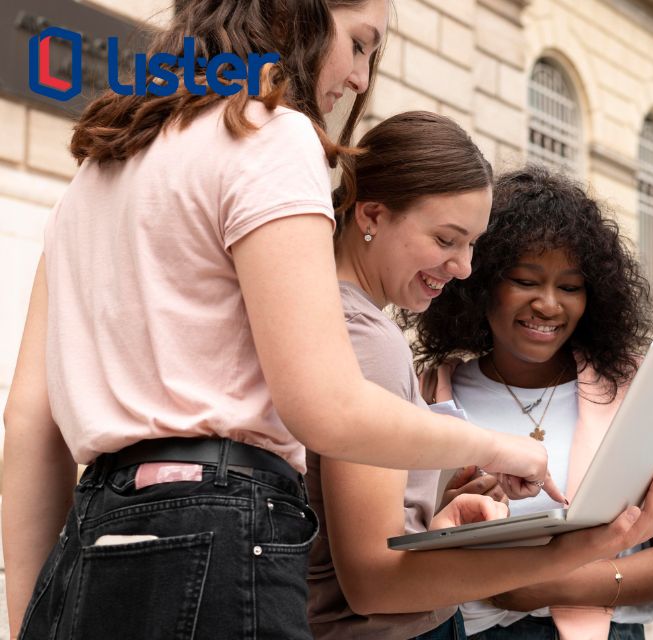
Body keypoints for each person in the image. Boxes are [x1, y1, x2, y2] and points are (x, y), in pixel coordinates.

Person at [2, 2, 557, 638]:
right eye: (359, 44)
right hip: (220, 528)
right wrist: (501, 446)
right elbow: (326, 406)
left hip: (96, 535)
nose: (358, 79)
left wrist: (26, 619)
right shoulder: (269, 133)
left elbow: (29, 427)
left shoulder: (92, 178)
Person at [309, 112, 653, 640]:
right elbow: (373, 585)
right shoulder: (371, 342)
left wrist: (445, 516)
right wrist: (572, 552)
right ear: (371, 214)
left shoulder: (334, 320)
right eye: (446, 240)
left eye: (473, 246)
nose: (462, 268)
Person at [415, 166, 653, 640]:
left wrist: (550, 584)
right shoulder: (429, 391)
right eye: (525, 280)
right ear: (479, 283)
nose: (550, 305)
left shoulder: (636, 389)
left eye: (571, 287)